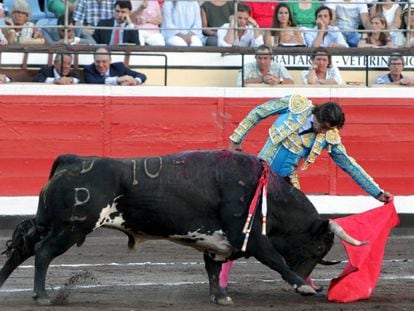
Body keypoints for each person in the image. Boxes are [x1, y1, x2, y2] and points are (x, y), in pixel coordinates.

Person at [220, 94, 392, 291]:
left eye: (327, 128)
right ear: (316, 114)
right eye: (321, 124)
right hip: (259, 176)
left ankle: (304, 277)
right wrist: (236, 139)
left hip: (287, 183)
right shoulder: (295, 106)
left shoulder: (329, 136)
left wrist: (377, 192)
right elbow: (259, 112)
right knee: (243, 224)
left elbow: (348, 164)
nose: (322, 130)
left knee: (302, 231)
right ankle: (222, 278)